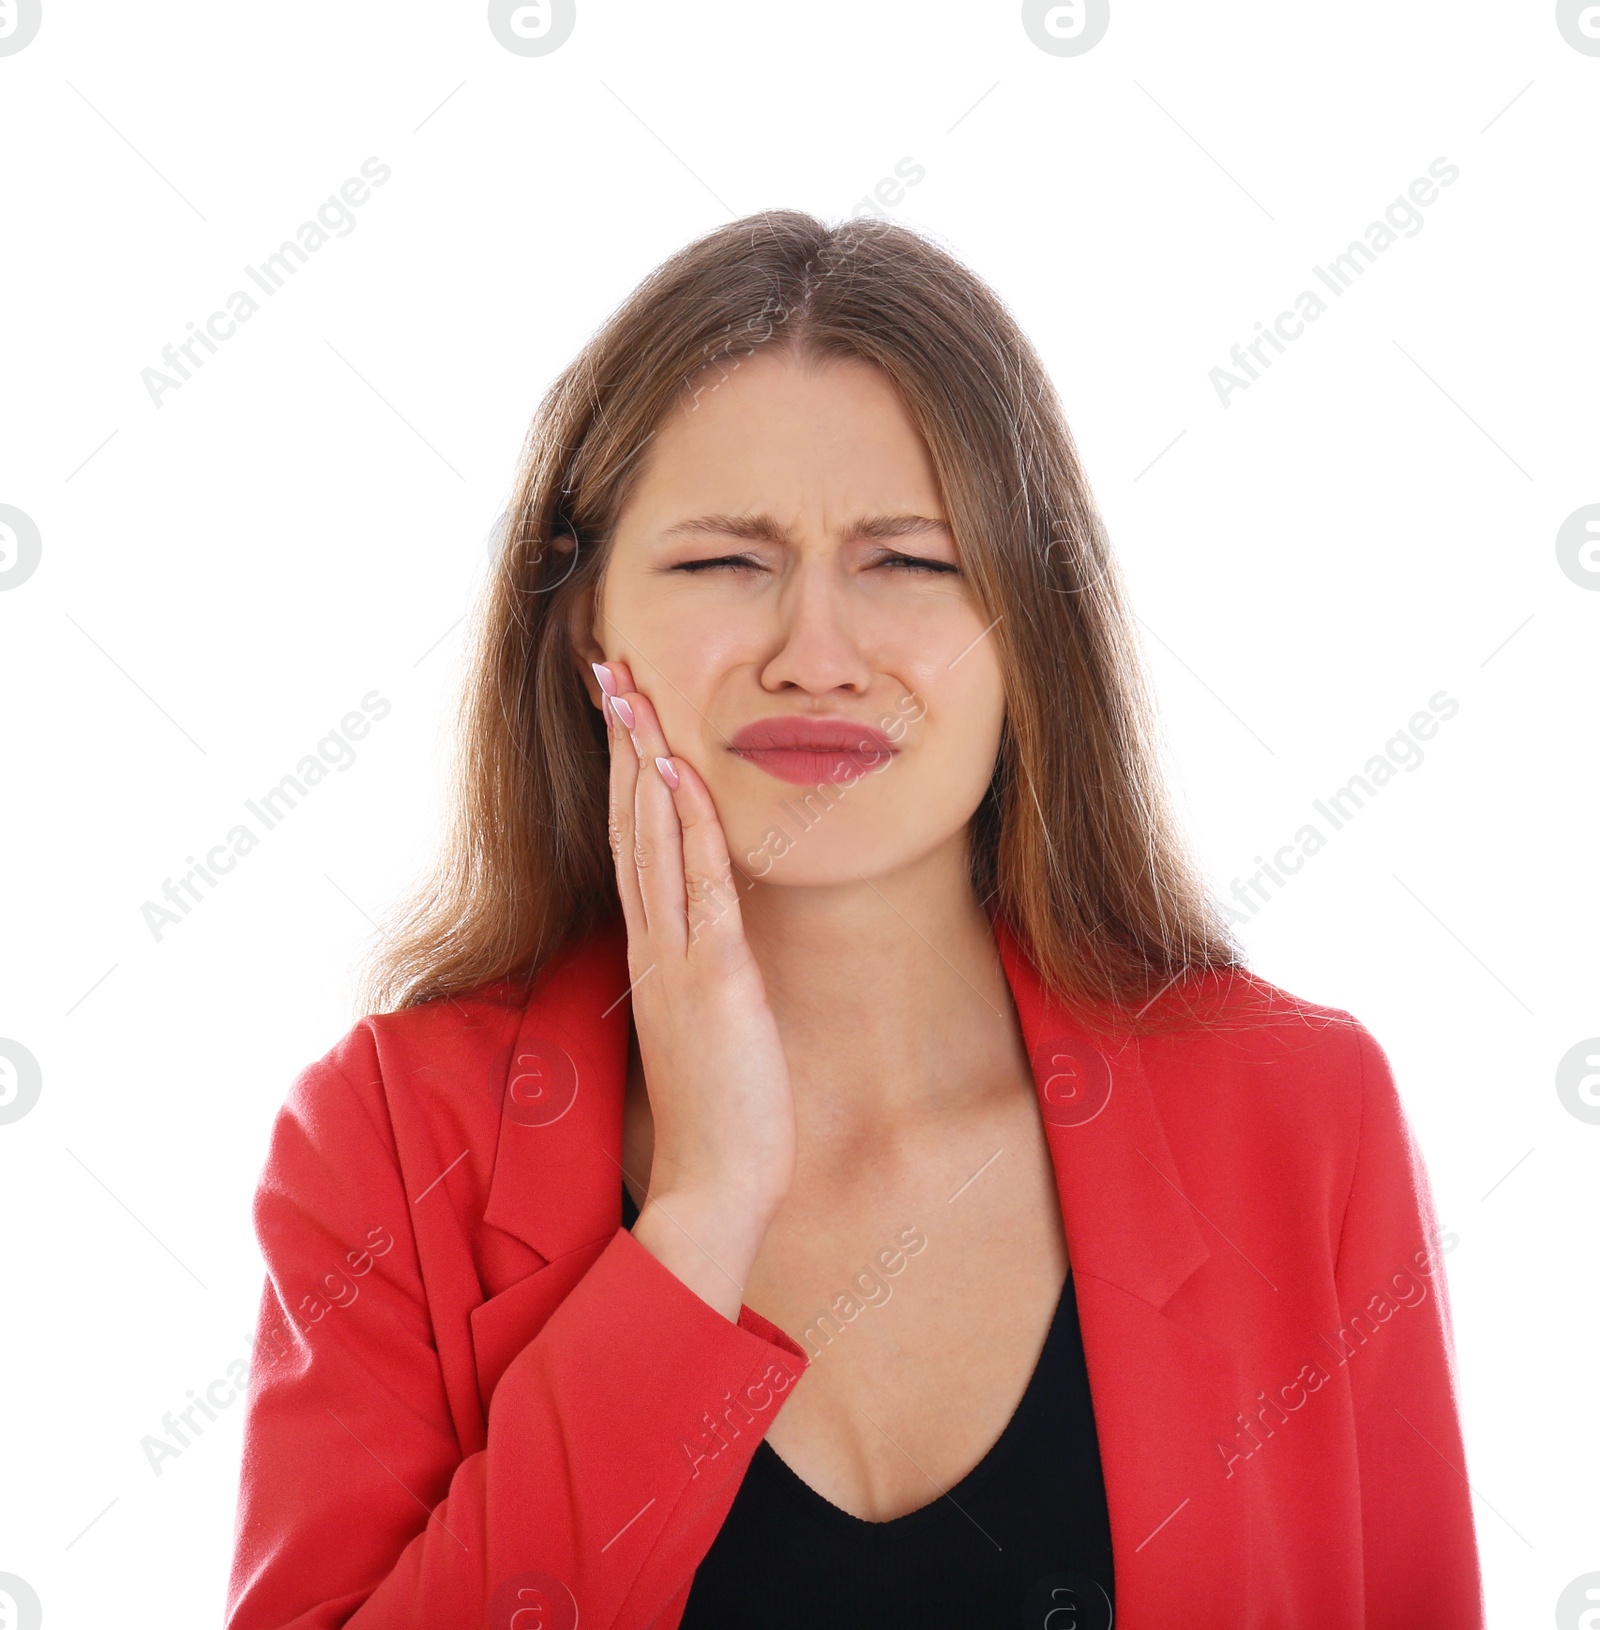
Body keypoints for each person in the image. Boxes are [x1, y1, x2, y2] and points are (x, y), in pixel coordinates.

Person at [224, 211, 1484, 1629]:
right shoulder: (390, 1139)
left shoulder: (1300, 1114)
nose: (816, 655)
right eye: (721, 563)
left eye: (912, 563)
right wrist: (697, 1216)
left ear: (1031, 630)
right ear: (586, 630)